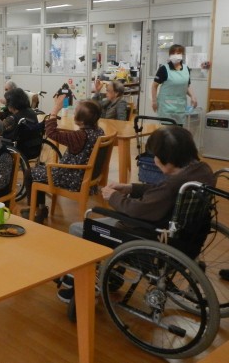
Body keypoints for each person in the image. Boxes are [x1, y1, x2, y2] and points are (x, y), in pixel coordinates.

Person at [59, 126, 214, 303]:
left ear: (169, 160)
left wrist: (113, 197)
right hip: (181, 237)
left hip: (145, 234)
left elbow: (137, 209)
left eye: (156, 155)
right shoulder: (202, 171)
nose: (154, 159)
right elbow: (160, 192)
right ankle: (112, 275)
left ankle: (83, 284)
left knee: (78, 228)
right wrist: (130, 188)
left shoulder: (173, 185)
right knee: (109, 220)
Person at [21, 97, 104, 222]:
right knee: (40, 171)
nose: (74, 114)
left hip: (71, 178)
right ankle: (41, 208)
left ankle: (37, 210)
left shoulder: (79, 136)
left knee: (30, 173)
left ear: (81, 121)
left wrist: (55, 110)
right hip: (85, 177)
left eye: (75, 112)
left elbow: (51, 133)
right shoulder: (99, 132)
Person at [151, 44, 197, 124]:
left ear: (182, 55)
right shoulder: (164, 69)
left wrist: (193, 96)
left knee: (178, 129)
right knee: (167, 130)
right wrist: (154, 101)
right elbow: (154, 86)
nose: (175, 55)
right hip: (166, 107)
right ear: (169, 55)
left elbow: (186, 86)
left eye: (178, 53)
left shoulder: (186, 69)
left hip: (180, 106)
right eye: (173, 53)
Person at [0, 88, 41, 158]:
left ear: (12, 103)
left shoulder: (13, 119)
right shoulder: (31, 112)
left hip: (18, 151)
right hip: (33, 148)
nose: (6, 104)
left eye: (7, 102)